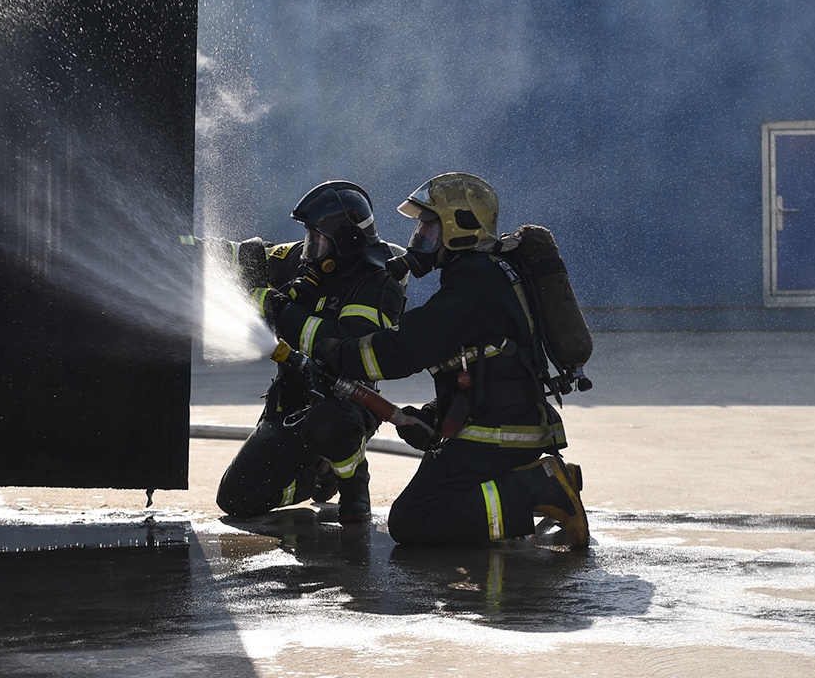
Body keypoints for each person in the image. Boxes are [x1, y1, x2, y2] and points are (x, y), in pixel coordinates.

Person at [312, 172, 589, 549]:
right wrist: (434, 415)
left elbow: (405, 349)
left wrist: (335, 351)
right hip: (502, 420)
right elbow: (483, 366)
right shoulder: (487, 272)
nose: (419, 238)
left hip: (500, 431)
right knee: (426, 506)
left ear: (460, 227)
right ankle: (536, 480)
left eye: (429, 227)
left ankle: (541, 486)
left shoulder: (474, 280)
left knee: (414, 520)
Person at [203, 180, 406, 524]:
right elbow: (243, 255)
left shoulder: (378, 282)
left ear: (344, 240)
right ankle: (317, 474)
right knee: (236, 498)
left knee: (330, 425)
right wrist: (185, 247)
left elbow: (340, 345)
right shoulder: (306, 259)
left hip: (345, 403)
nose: (308, 246)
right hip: (290, 404)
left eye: (317, 237)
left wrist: (280, 309)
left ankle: (353, 483)